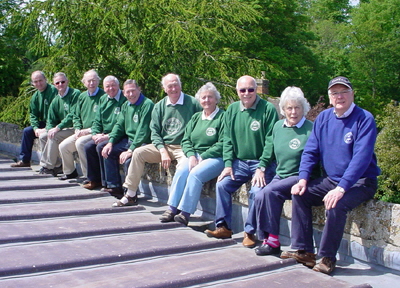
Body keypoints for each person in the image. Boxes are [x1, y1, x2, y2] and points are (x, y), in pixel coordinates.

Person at [281, 76, 381, 275]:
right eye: (335, 92)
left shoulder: (364, 119)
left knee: (336, 204)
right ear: (329, 96)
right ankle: (305, 251)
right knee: (300, 194)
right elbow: (311, 151)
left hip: (361, 181)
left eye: (344, 91)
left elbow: (360, 159)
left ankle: (327, 258)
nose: (340, 96)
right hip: (332, 180)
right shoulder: (324, 118)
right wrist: (303, 179)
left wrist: (341, 188)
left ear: (352, 94)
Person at [205, 75, 278, 248]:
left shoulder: (268, 109)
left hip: (261, 163)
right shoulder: (231, 110)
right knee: (222, 184)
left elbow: (271, 141)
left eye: (250, 89)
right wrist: (228, 164)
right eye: (242, 90)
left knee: (256, 191)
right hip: (240, 162)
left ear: (256, 90)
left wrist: (262, 166)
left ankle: (250, 232)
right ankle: (223, 227)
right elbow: (227, 139)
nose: (247, 93)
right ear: (237, 91)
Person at [113, 73, 202, 207]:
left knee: (184, 167)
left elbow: (201, 125)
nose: (173, 89)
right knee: (138, 153)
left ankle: (177, 203)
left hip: (183, 146)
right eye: (169, 86)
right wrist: (162, 150)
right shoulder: (160, 106)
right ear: (164, 89)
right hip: (164, 145)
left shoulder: (193, 104)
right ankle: (130, 193)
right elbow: (154, 131)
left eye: (175, 85)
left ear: (180, 85)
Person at [252, 86, 314, 256]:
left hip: (300, 176)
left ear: (303, 108)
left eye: (297, 108)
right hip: (281, 175)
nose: (293, 112)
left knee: (270, 191)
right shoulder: (278, 126)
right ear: (283, 109)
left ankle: (272, 242)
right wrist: (261, 167)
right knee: (259, 195)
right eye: (289, 108)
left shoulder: (311, 129)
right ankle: (269, 238)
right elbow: (269, 149)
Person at [159, 82, 225, 225]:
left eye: (210, 97)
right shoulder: (196, 117)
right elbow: (186, 139)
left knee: (195, 174)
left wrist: (203, 156)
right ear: (199, 100)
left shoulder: (223, 117)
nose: (206, 100)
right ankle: (172, 208)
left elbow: (223, 143)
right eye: (203, 98)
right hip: (195, 155)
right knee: (182, 170)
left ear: (216, 99)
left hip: (215, 157)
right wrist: (191, 155)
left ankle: (185, 213)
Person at [100, 79, 154, 196]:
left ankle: (130, 194)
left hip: (143, 143)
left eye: (133, 91)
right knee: (107, 151)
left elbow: (143, 131)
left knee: (129, 160)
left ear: (139, 90)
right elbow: (119, 126)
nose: (131, 94)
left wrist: (131, 150)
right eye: (128, 92)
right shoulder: (126, 105)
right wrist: (110, 142)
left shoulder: (147, 105)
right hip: (129, 140)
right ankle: (114, 186)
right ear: (124, 93)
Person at [58, 70, 106, 180]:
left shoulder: (103, 96)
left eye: (94, 80)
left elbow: (104, 120)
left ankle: (88, 176)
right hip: (81, 131)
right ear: (84, 82)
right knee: (63, 146)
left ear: (98, 81)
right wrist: (78, 128)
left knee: (80, 143)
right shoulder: (82, 96)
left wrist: (89, 130)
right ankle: (69, 172)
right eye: (89, 81)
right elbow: (76, 115)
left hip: (96, 132)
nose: (91, 83)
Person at [83, 76, 126, 196]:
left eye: (113, 85)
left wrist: (108, 136)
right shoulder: (103, 99)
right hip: (103, 134)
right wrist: (95, 134)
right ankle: (95, 180)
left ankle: (113, 185)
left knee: (102, 147)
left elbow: (122, 124)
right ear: (104, 88)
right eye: (107, 86)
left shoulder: (124, 99)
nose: (111, 88)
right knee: (88, 147)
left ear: (119, 86)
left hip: (118, 135)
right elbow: (97, 121)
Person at [11, 71, 58, 168]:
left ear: (45, 79)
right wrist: (36, 128)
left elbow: (55, 113)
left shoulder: (53, 91)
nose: (39, 84)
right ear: (33, 84)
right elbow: (33, 114)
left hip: (55, 123)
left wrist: (47, 128)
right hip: (44, 123)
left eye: (40, 80)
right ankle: (25, 160)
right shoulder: (35, 96)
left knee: (46, 135)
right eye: (35, 82)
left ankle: (51, 164)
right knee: (27, 132)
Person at [38, 72, 81, 176]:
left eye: (62, 82)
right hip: (63, 129)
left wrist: (58, 128)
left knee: (54, 136)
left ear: (67, 82)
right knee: (43, 136)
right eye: (57, 83)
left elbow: (73, 115)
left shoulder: (75, 94)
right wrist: (49, 129)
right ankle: (57, 166)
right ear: (54, 84)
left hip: (74, 127)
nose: (60, 84)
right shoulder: (56, 99)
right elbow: (50, 120)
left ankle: (47, 166)